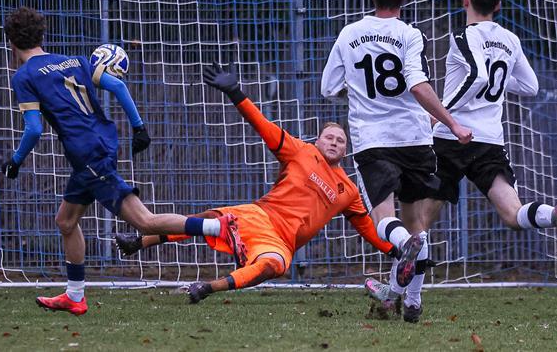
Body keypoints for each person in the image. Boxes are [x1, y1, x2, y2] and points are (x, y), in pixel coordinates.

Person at [364, 0, 557, 316]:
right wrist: (494, 94)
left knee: (416, 224)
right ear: (498, 6)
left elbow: (477, 75)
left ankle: (406, 297)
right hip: (490, 141)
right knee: (513, 213)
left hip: (453, 140)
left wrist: (444, 114)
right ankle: (553, 213)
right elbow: (529, 86)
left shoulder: (464, 36)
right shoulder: (510, 40)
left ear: (465, 0)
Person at [1, 7, 246, 316]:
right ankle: (75, 295)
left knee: (144, 222)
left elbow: (34, 127)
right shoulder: (74, 61)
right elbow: (117, 85)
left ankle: (219, 226)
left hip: (87, 154)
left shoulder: (24, 76)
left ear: (10, 42)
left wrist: (16, 160)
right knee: (65, 221)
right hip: (100, 145)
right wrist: (138, 127)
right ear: (43, 35)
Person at [115, 63, 403, 304]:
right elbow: (262, 125)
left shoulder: (348, 190)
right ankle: (139, 242)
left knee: (272, 266)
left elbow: (367, 228)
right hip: (258, 215)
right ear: (318, 140)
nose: (335, 142)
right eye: (330, 137)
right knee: (206, 219)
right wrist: (235, 92)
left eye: (341, 141)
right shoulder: (300, 150)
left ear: (345, 150)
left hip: (279, 241)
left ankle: (207, 287)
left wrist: (398, 250)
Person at [320, 0, 472, 323]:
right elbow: (417, 83)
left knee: (384, 220)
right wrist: (451, 123)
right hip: (415, 138)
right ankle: (414, 302)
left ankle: (405, 247)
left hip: (374, 141)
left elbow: (328, 88)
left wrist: (358, 93)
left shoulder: (348, 34)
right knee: (416, 219)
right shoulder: (410, 34)